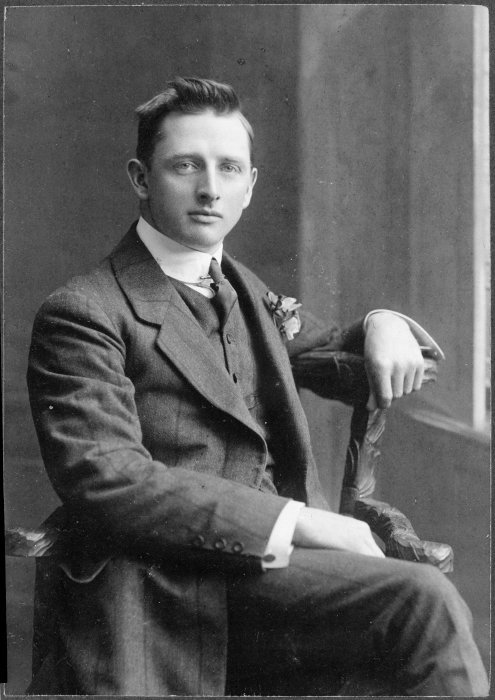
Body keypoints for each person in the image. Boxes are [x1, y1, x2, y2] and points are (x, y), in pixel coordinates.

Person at [26, 77, 488, 696]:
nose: (210, 189)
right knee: (422, 599)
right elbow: (107, 479)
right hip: (167, 587)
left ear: (250, 185)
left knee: (418, 611)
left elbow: (331, 348)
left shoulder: (242, 288)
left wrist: (382, 322)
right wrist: (300, 522)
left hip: (270, 581)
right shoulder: (86, 311)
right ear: (140, 178)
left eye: (229, 168)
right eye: (185, 165)